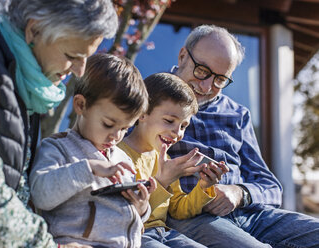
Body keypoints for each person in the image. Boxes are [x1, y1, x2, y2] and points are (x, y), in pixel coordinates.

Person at [0, 0, 118, 247]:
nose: (80, 71)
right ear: (34, 30)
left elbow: (16, 190)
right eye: (72, 56)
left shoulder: (21, 79)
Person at [166, 24, 319, 248]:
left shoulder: (237, 114)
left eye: (220, 79)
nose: (207, 86)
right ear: (182, 56)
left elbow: (271, 187)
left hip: (251, 215)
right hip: (192, 215)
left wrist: (239, 192)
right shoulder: (150, 99)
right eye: (202, 70)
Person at [30, 53, 156, 248]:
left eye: (125, 129)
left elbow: (129, 218)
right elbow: (41, 195)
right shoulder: (57, 147)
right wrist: (88, 169)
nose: (116, 136)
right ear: (81, 105)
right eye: (108, 124)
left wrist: (141, 207)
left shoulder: (122, 158)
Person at [118, 72, 229, 248]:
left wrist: (204, 187)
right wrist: (162, 181)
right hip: (135, 236)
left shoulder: (163, 158)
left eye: (183, 126)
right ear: (142, 113)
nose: (177, 133)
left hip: (164, 233)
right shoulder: (118, 156)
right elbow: (124, 215)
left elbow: (178, 210)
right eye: (169, 121)